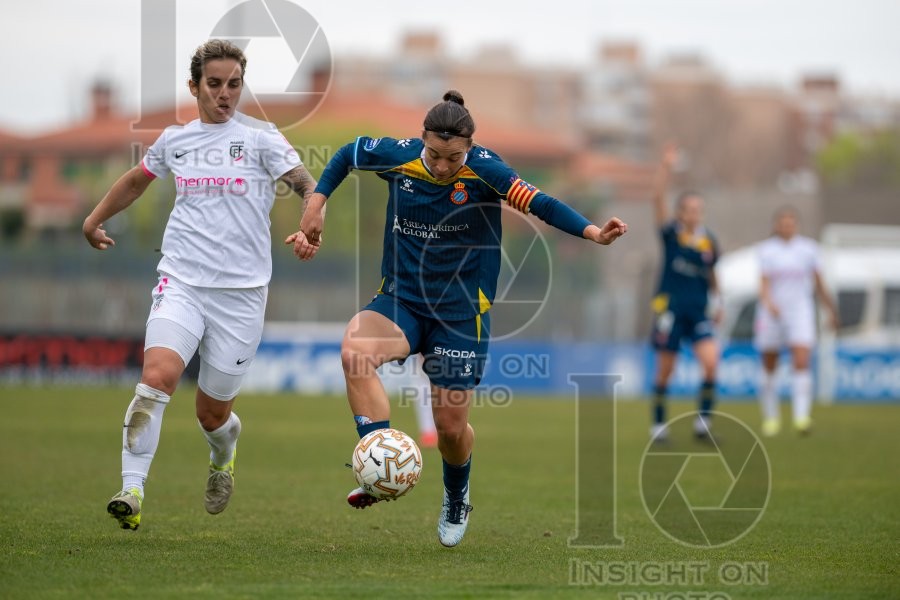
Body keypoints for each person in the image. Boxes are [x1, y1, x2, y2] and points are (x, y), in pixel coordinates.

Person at [287, 90, 627, 547]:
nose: (443, 166)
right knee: (355, 352)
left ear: (468, 149)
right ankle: (383, 461)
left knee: (449, 430)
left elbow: (541, 203)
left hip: (461, 314)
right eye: (434, 154)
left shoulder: (487, 170)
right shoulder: (399, 157)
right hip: (402, 300)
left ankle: (456, 495)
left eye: (453, 158)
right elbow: (349, 153)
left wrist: (592, 232)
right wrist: (316, 202)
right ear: (421, 140)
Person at [82, 40, 317, 530]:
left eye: (234, 84)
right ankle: (132, 489)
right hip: (182, 278)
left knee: (211, 415)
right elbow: (136, 180)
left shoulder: (260, 137)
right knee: (156, 379)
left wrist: (311, 221)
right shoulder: (176, 139)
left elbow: (307, 184)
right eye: (214, 84)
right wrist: (94, 219)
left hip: (242, 294)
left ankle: (222, 454)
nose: (225, 93)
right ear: (194, 87)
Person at [649, 144, 722, 442]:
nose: (694, 214)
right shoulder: (671, 235)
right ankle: (657, 425)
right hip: (670, 310)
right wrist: (666, 167)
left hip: (698, 310)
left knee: (711, 363)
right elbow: (656, 199)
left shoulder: (709, 242)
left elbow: (713, 273)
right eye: (688, 209)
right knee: (666, 371)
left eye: (697, 210)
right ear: (680, 212)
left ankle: (703, 422)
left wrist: (718, 301)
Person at [754, 207, 839, 436]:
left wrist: (830, 309)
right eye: (782, 222)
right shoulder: (766, 250)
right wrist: (769, 302)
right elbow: (762, 282)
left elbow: (819, 282)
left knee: (801, 360)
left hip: (800, 312)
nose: (786, 226)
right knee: (769, 365)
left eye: (790, 222)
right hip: (771, 313)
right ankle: (771, 418)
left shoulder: (809, 249)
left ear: (797, 225)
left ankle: (801, 417)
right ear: (776, 225)